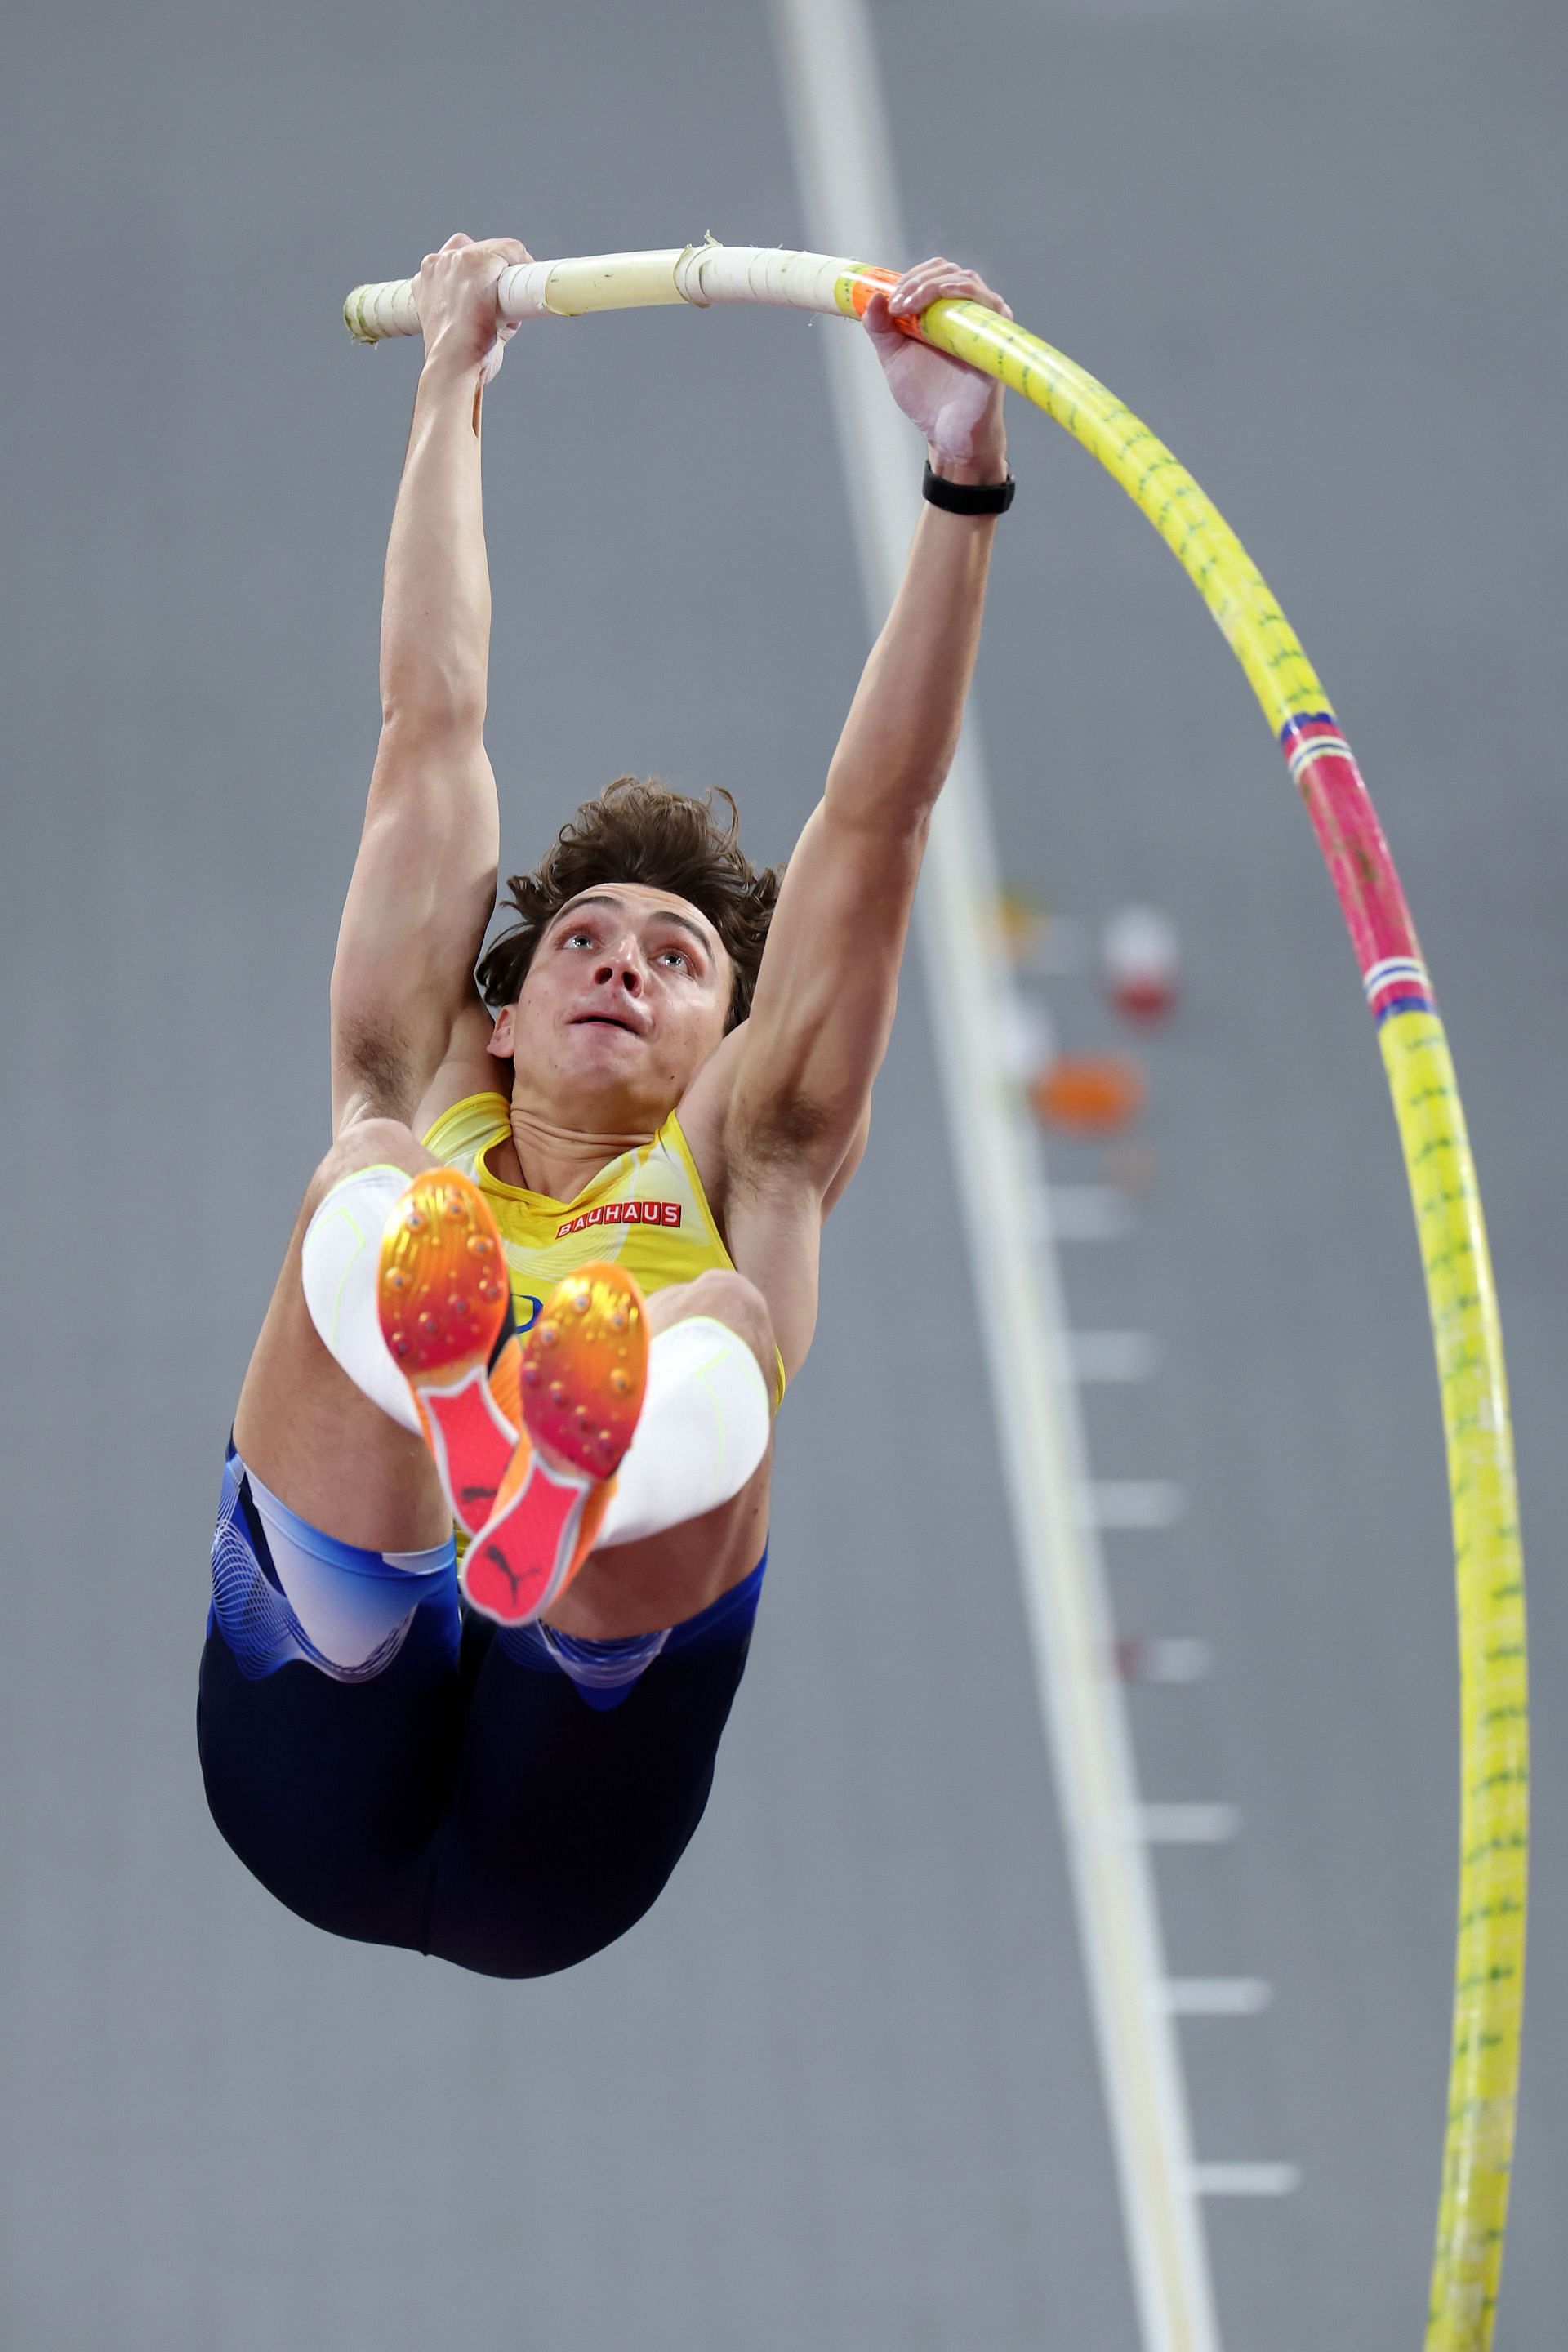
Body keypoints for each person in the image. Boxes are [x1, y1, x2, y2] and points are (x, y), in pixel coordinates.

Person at [198, 230, 1014, 1979]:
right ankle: (498, 1453)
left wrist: (963, 473)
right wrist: (452, 386)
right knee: (370, 1165)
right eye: (579, 938)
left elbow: (878, 828)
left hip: (575, 1808)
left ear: (735, 1038)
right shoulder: (434, 1076)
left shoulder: (759, 1147)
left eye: (677, 959)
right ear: (498, 1011)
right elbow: (433, 719)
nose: (621, 965)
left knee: (710, 1298)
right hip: (313, 1736)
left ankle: (578, 1479)